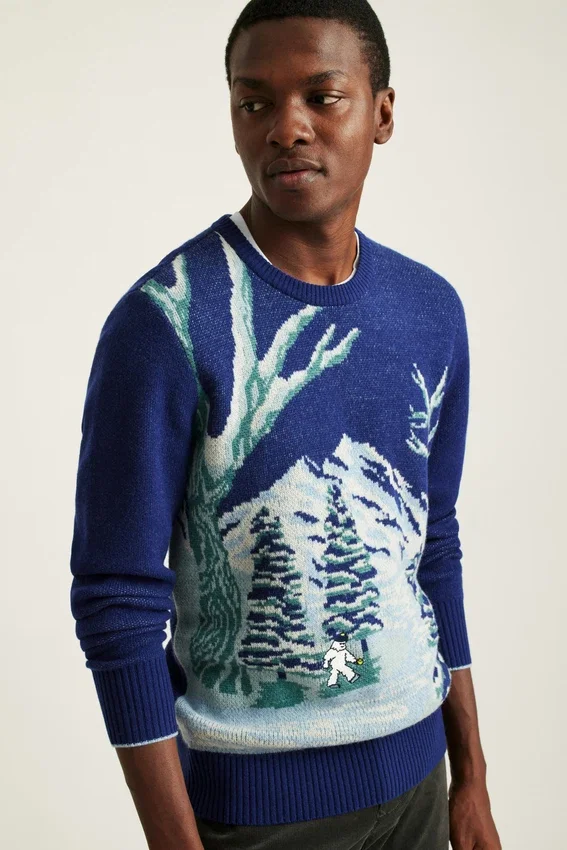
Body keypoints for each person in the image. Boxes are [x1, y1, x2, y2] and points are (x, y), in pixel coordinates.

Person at [69, 1, 502, 848]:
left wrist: (472, 777)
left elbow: (433, 545)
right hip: (257, 817)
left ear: (381, 111)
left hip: (421, 782)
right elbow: (116, 601)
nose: (286, 128)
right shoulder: (165, 321)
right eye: (254, 102)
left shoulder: (430, 310)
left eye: (321, 97)